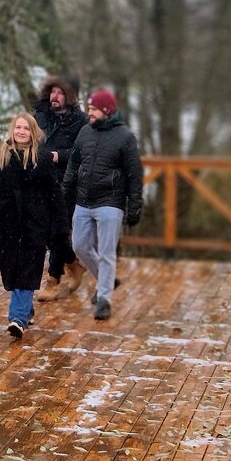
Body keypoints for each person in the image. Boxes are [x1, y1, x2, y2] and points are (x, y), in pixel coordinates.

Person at [0, 113, 67, 340]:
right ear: (12, 130)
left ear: (33, 133)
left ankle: (17, 318)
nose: (21, 132)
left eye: (26, 128)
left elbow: (55, 193)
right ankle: (26, 308)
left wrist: (60, 226)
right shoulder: (1, 154)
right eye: (18, 127)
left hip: (35, 222)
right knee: (13, 267)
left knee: (28, 267)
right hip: (8, 221)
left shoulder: (42, 158)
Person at [62, 89, 143, 320]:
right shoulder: (84, 132)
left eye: (94, 109)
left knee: (107, 252)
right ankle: (107, 280)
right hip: (83, 200)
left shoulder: (125, 137)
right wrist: (65, 191)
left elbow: (134, 174)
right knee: (79, 246)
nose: (90, 113)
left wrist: (134, 206)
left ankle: (104, 299)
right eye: (89, 109)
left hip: (111, 202)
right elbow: (74, 164)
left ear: (106, 111)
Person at [33, 75, 88, 302]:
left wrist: (58, 156)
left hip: (67, 180)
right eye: (53, 91)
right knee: (43, 229)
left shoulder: (81, 121)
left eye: (61, 93)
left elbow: (82, 151)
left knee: (58, 230)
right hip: (40, 178)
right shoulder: (40, 115)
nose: (55, 96)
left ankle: (53, 279)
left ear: (70, 96)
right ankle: (73, 263)